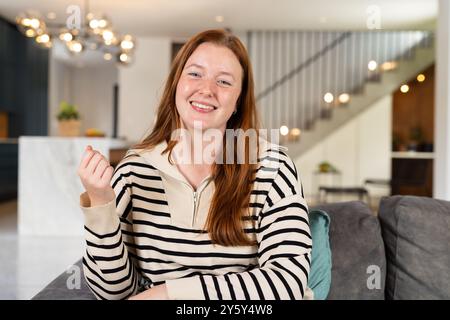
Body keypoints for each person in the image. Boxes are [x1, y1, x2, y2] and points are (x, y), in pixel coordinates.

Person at [77, 29, 312, 300]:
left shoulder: (272, 167)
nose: (206, 90)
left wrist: (167, 295)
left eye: (224, 82)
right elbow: (112, 292)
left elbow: (287, 281)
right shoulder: (135, 169)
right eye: (195, 74)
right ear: (176, 83)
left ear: (238, 101)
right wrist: (101, 203)